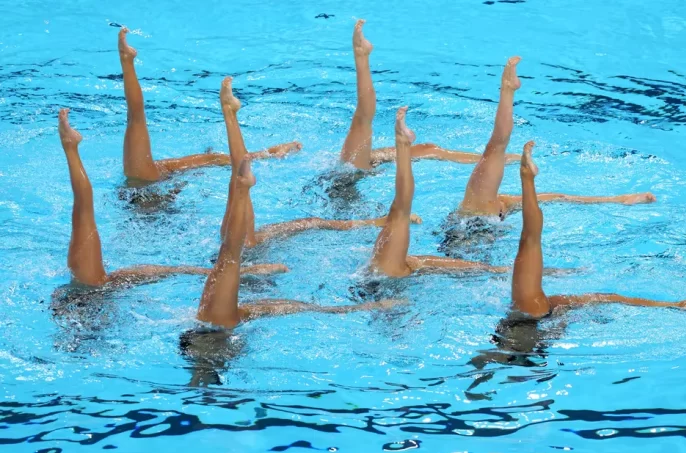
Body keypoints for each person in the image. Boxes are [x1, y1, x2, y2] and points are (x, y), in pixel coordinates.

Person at [58, 108, 286, 289]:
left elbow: (174, 271)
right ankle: (70, 148)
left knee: (83, 211)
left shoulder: (109, 279)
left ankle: (70, 148)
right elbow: (174, 271)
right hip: (95, 284)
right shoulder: (113, 278)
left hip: (93, 285)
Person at [196, 140, 403, 328]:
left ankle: (241, 187)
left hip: (219, 318)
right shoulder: (244, 300)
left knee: (230, 254)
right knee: (230, 254)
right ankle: (242, 187)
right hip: (222, 317)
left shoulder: (262, 241)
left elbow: (300, 306)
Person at [508, 140, 686, 319]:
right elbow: (610, 298)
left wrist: (675, 305)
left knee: (530, 240)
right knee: (530, 241)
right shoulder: (556, 307)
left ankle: (527, 179)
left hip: (531, 320)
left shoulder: (546, 310)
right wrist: (673, 305)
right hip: (536, 320)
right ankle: (527, 179)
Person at [218, 77, 421, 246]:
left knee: (238, 183)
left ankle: (229, 115)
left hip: (237, 256)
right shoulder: (262, 237)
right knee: (240, 231)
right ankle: (229, 115)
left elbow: (317, 223)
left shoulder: (265, 235)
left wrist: (382, 221)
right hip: (244, 257)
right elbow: (319, 223)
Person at [459, 57, 657, 219]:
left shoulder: (489, 202)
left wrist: (619, 199)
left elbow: (560, 197)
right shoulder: (493, 202)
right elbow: (499, 142)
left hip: (478, 250)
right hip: (483, 251)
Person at [117, 27, 301, 183]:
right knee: (136, 120)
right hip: (147, 189)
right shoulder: (149, 177)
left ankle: (126, 61)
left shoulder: (147, 177)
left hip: (145, 187)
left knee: (136, 121)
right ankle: (126, 61)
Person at [340, 20, 520, 170]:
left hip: (352, 171)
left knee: (427, 149)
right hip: (345, 184)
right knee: (361, 122)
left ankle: (499, 157)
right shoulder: (348, 176)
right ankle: (361, 56)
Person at [369, 106, 513, 277]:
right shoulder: (400, 266)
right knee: (399, 210)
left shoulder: (401, 265)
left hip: (383, 279)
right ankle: (402, 144)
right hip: (385, 280)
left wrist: (492, 269)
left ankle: (402, 143)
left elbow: (438, 263)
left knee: (400, 209)